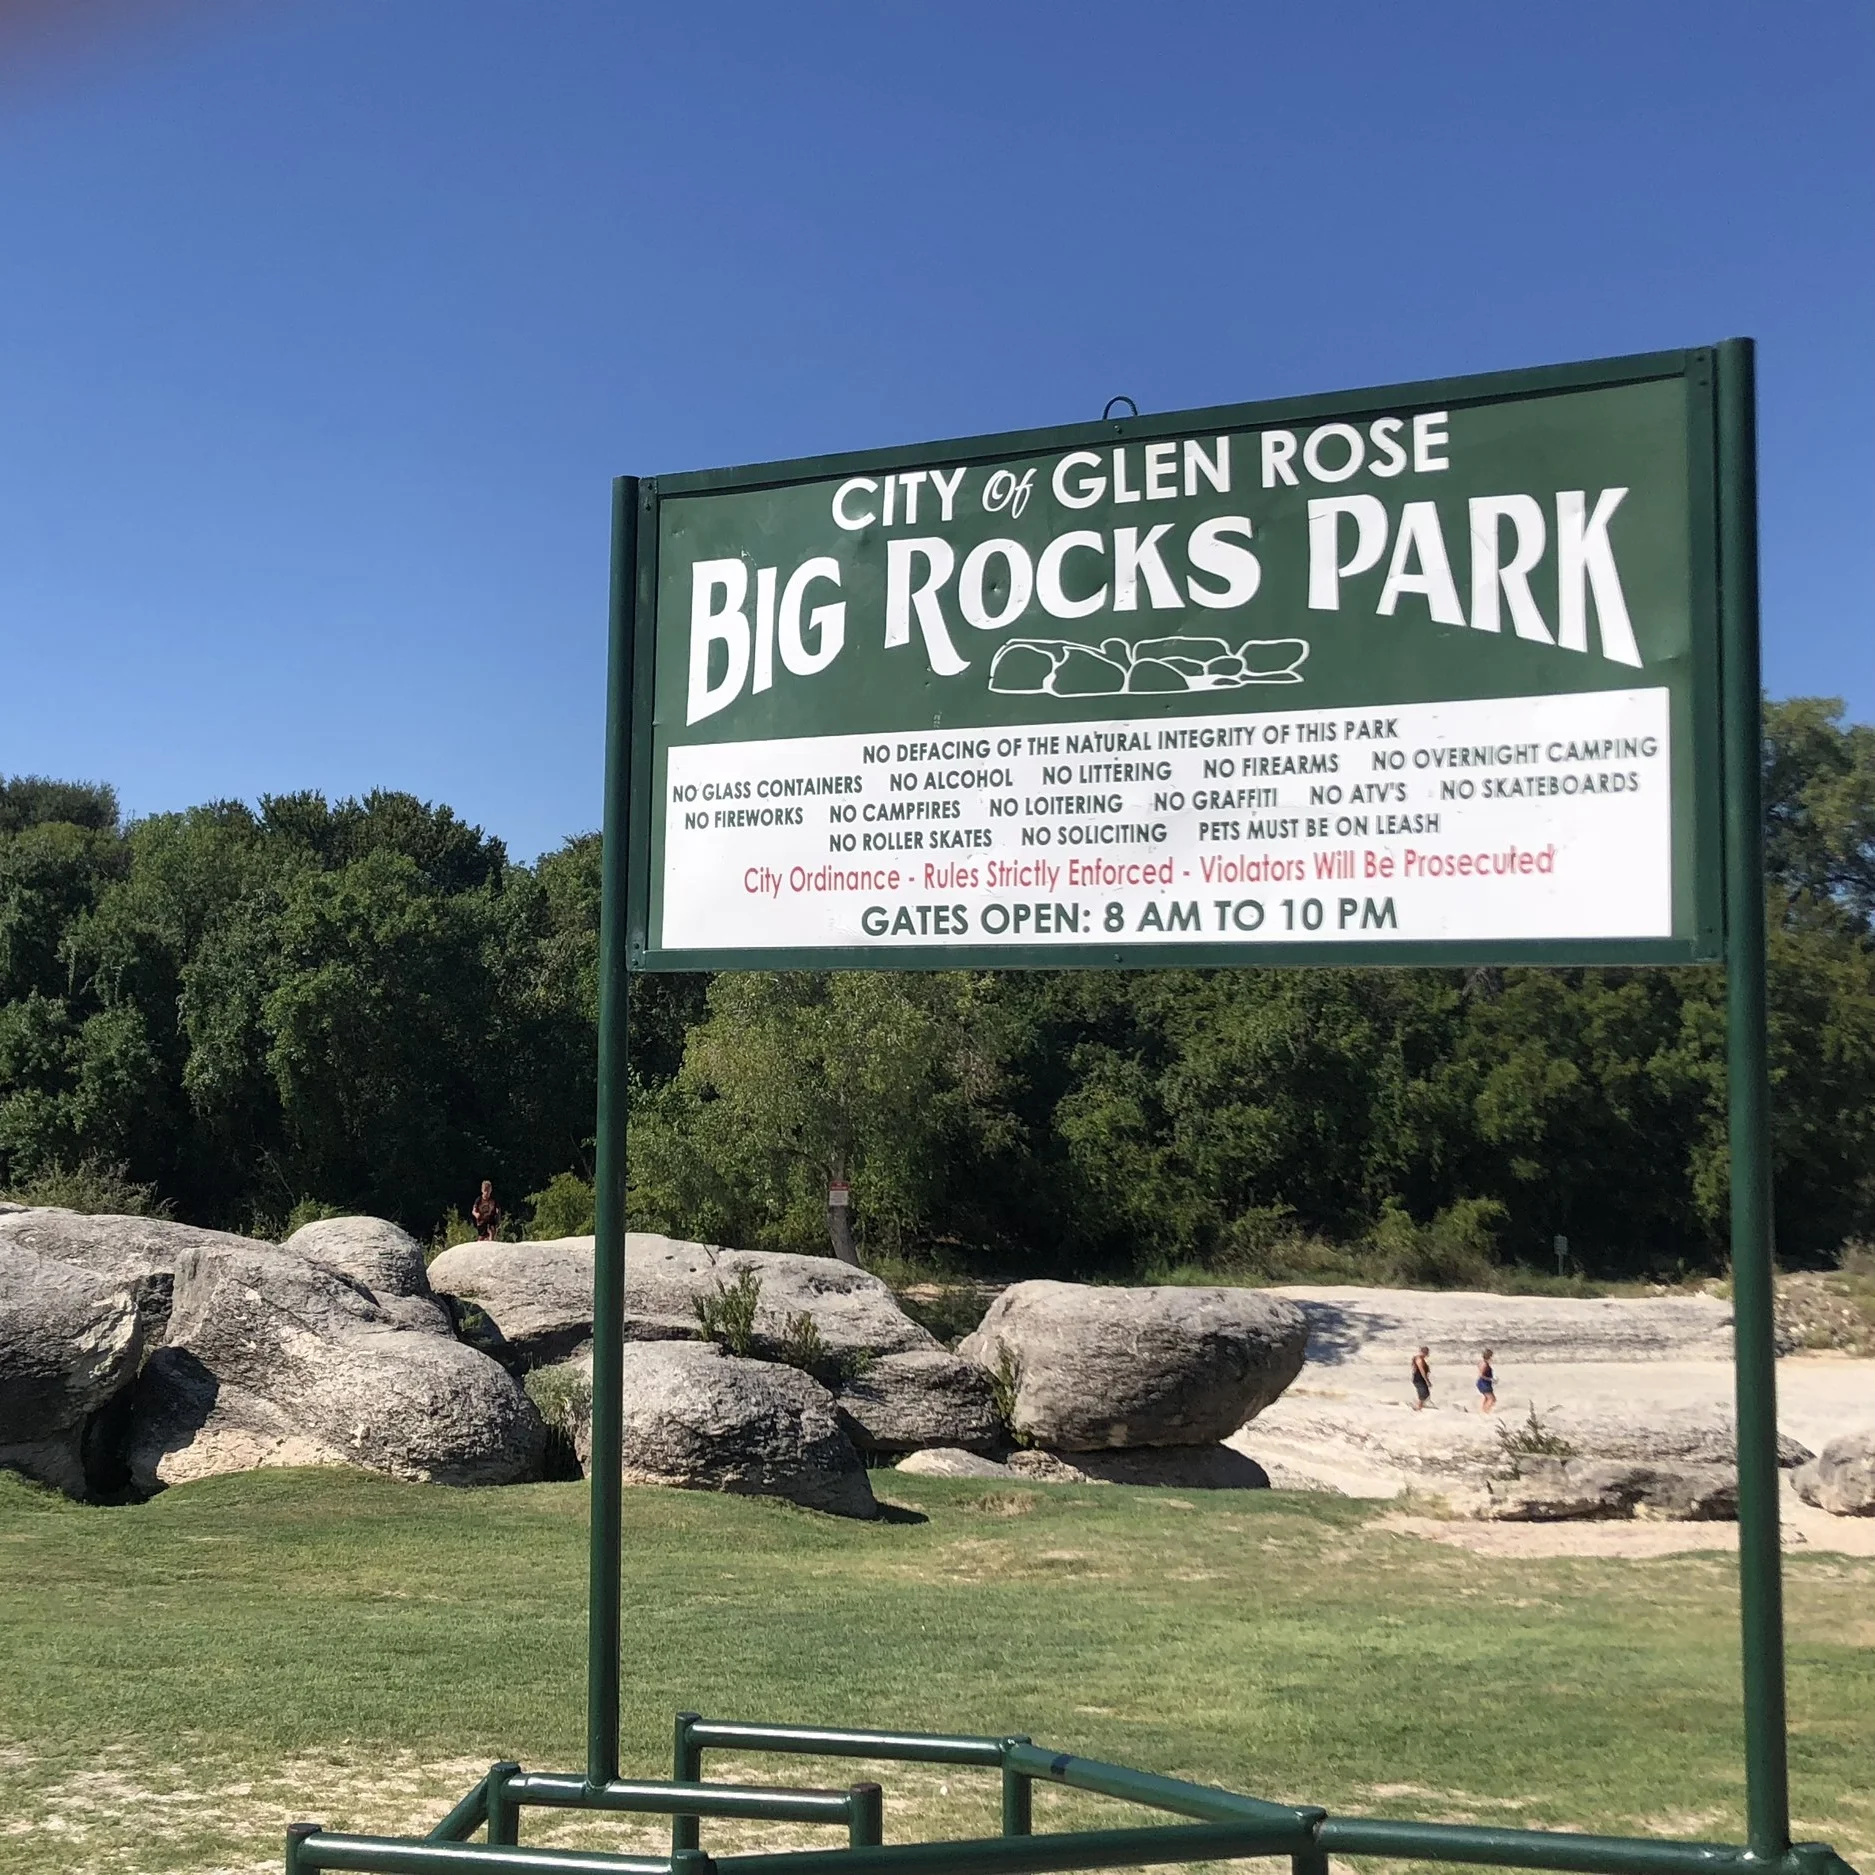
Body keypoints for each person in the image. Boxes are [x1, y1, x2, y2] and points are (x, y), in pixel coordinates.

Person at [1476, 1347, 1498, 1413]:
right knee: (1492, 1399)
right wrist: (1491, 1379)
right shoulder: (1485, 1364)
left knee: (1487, 1398)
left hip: (1483, 1383)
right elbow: (1481, 1375)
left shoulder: (1482, 1362)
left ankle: (1483, 1410)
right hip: (1484, 1383)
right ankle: (1485, 1411)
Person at [1411, 1346, 1432, 1410]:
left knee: (1426, 1393)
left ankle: (1419, 1405)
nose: (1428, 1353)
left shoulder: (1420, 1359)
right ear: (1424, 1352)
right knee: (1423, 1393)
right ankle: (1418, 1407)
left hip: (1420, 1379)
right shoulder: (1419, 1359)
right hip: (1419, 1379)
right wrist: (1427, 1381)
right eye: (1427, 1352)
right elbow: (1422, 1370)